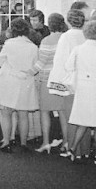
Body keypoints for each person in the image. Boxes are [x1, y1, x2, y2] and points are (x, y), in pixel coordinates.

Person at [0, 19, 40, 153]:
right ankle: (23, 143)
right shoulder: (33, 47)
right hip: (25, 81)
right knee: (23, 114)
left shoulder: (9, 44)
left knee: (6, 113)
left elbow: (0, 60)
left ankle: (6, 142)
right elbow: (36, 65)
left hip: (9, 81)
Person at [65, 19, 96, 166]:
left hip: (82, 88)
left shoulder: (78, 49)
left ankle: (72, 148)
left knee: (82, 121)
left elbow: (68, 66)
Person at [50, 8, 87, 159]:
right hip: (85, 81)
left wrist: (57, 82)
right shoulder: (87, 35)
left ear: (69, 21)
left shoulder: (66, 37)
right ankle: (84, 150)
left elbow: (60, 61)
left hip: (70, 81)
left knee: (71, 117)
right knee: (84, 117)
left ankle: (73, 150)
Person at [33, 12, 69, 154]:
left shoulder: (47, 40)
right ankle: (66, 142)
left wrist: (29, 72)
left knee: (44, 112)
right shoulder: (66, 39)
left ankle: (46, 142)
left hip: (47, 79)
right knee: (62, 113)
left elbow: (40, 63)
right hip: (63, 79)